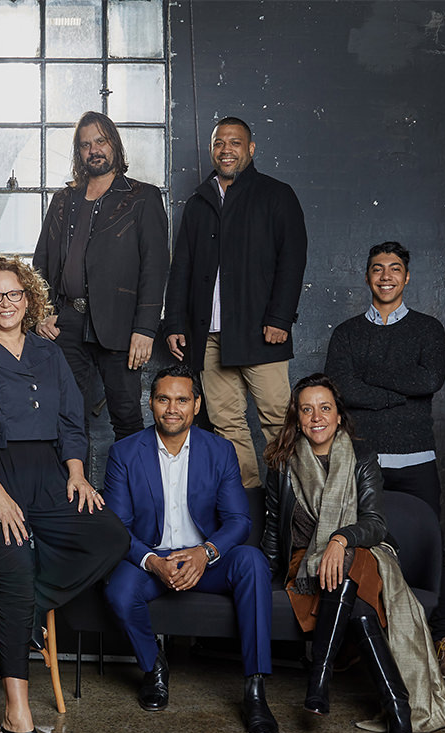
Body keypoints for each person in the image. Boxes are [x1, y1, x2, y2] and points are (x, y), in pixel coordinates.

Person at [0, 255, 129, 733]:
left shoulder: (49, 354)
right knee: (16, 560)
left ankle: (14, 613)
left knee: (110, 535)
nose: (5, 303)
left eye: (14, 294)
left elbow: (71, 421)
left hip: (48, 472)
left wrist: (77, 472)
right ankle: (19, 718)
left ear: (29, 300)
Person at [261, 374, 445, 733]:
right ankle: (397, 709)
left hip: (364, 552)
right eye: (307, 409)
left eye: (325, 408)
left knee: (347, 560)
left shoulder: (362, 457)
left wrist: (340, 538)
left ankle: (319, 676)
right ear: (297, 417)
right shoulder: (281, 461)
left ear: (338, 415)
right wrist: (264, 578)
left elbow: (375, 523)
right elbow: (271, 527)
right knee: (361, 613)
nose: (317, 417)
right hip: (305, 565)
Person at [101, 364, 278, 733]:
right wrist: (153, 561)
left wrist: (205, 552)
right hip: (153, 559)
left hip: (205, 562)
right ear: (151, 403)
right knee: (118, 591)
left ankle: (256, 691)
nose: (172, 408)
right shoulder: (124, 453)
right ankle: (153, 667)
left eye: (182, 400)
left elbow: (238, 520)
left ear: (196, 405)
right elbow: (117, 527)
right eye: (163, 399)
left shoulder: (219, 450)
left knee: (251, 561)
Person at [324, 241, 445, 680]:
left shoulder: (428, 328)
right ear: (367, 277)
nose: (386, 276)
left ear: (407, 277)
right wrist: (401, 392)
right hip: (364, 459)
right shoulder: (347, 333)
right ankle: (356, 636)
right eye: (378, 269)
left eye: (396, 269)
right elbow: (342, 388)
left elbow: (431, 379)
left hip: (417, 458)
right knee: (359, 546)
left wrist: (370, 382)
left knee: (431, 547)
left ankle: (442, 639)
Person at [164, 116, 308, 489]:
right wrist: (175, 324)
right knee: (227, 424)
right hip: (209, 337)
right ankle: (249, 507)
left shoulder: (276, 195)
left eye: (235, 143)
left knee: (278, 419)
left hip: (262, 333)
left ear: (251, 149)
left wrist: (280, 318)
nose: (226, 150)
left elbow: (292, 260)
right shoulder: (199, 203)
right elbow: (182, 267)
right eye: (218, 144)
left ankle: (294, 503)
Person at [33, 111, 169, 448]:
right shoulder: (63, 200)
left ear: (114, 145)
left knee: (126, 414)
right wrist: (41, 312)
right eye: (85, 145)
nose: (94, 149)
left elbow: (156, 267)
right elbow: (41, 264)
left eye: (100, 141)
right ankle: (71, 496)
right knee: (66, 415)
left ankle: (132, 499)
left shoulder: (142, 197)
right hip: (67, 322)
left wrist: (146, 329)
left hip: (122, 323)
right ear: (78, 153)